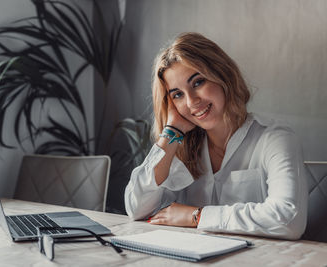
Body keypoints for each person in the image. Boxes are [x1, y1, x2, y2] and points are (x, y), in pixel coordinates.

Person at [124, 32, 308, 240]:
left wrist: (196, 216)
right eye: (177, 95)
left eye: (197, 82)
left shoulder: (275, 139)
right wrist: (171, 133)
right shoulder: (180, 146)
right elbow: (137, 209)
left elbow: (289, 219)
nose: (192, 102)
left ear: (222, 75)